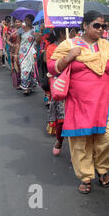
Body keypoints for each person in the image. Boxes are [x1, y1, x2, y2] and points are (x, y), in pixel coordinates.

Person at [47, 11, 109, 193]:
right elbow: (52, 67)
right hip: (78, 102)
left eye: (103, 26)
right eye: (97, 25)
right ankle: (86, 176)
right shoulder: (69, 45)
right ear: (85, 26)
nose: (101, 29)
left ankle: (102, 167)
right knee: (80, 142)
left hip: (104, 101)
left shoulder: (106, 47)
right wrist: (69, 56)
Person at [45, 27, 77, 156]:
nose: (74, 34)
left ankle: (77, 152)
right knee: (61, 119)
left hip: (76, 86)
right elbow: (51, 67)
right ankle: (59, 140)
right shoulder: (52, 48)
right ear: (61, 33)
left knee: (76, 118)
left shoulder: (78, 45)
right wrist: (67, 57)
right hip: (60, 85)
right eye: (71, 31)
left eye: (75, 31)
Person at [18, 15, 40, 95]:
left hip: (31, 52)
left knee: (31, 69)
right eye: (26, 20)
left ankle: (28, 87)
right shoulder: (21, 30)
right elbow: (18, 42)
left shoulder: (35, 29)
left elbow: (38, 41)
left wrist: (37, 34)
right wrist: (16, 53)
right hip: (22, 53)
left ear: (32, 21)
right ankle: (26, 86)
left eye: (28, 20)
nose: (27, 22)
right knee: (24, 69)